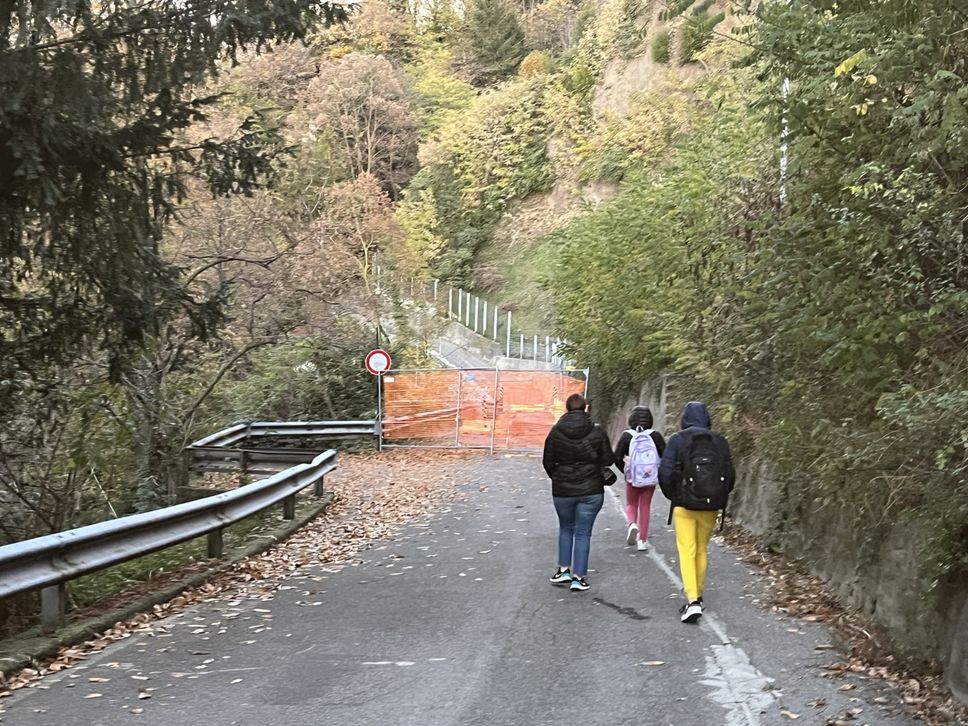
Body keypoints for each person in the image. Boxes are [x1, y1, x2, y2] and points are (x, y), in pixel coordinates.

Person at [658, 401, 735, 623]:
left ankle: (692, 601)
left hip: (684, 505)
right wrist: (720, 494)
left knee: (686, 550)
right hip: (711, 505)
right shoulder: (719, 442)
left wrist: (674, 495)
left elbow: (665, 472)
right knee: (702, 549)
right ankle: (698, 596)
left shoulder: (677, 440)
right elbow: (730, 474)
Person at [541, 393, 614, 592]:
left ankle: (563, 569)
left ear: (566, 409)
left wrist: (558, 477)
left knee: (566, 528)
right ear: (586, 408)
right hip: (591, 489)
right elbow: (608, 459)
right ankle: (578, 577)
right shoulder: (597, 431)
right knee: (583, 533)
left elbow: (547, 461)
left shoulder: (556, 432)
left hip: (563, 490)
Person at [613, 405, 666, 552]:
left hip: (632, 477)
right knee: (645, 507)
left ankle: (632, 524)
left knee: (631, 503)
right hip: (650, 477)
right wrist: (657, 471)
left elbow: (617, 457)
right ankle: (642, 540)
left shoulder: (626, 436)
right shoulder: (655, 436)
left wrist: (626, 471)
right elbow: (666, 455)